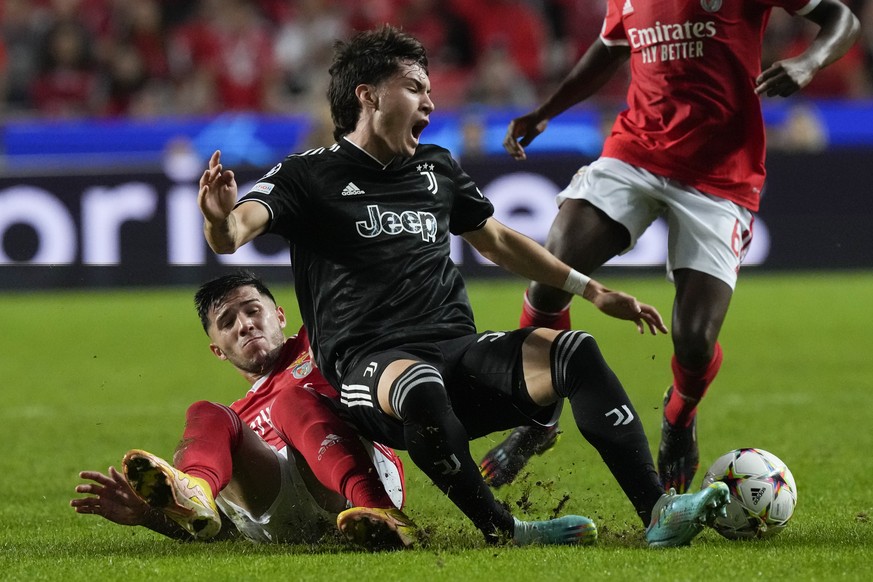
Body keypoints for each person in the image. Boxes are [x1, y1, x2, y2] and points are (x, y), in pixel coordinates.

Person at [197, 25, 730, 548]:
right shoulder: (307, 175)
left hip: (456, 352)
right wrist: (220, 220)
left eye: (430, 90)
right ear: (368, 95)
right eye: (414, 88)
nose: (430, 102)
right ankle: (504, 529)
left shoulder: (437, 168)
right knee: (420, 384)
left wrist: (591, 291)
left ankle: (658, 510)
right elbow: (233, 234)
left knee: (575, 353)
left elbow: (496, 239)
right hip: (368, 369)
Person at [484, 0, 860, 493]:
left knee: (695, 339)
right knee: (551, 271)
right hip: (635, 153)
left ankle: (680, 415)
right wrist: (546, 111)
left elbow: (843, 18)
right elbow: (608, 49)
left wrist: (808, 62)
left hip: (720, 175)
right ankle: (539, 416)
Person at [71, 271, 415, 550]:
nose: (245, 325)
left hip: (358, 474)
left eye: (253, 310)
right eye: (227, 322)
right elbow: (222, 531)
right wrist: (148, 515)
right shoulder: (233, 424)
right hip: (283, 515)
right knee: (207, 412)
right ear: (218, 350)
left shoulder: (321, 341)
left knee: (290, 402)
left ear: (279, 316)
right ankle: (197, 489)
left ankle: (380, 510)